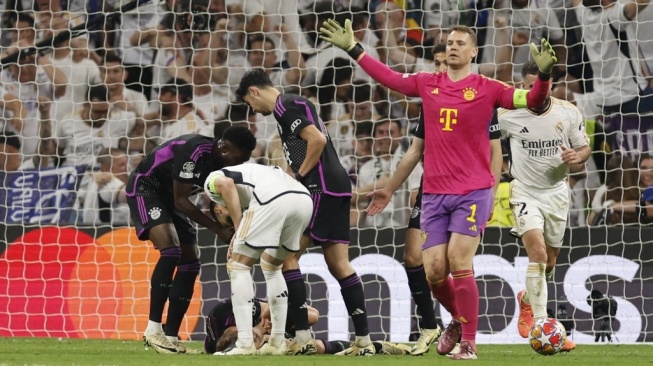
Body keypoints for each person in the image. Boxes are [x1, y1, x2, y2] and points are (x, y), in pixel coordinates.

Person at [319, 19, 556, 360]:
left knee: (459, 259)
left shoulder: (489, 88)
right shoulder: (428, 84)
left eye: (461, 42)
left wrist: (545, 77)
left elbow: (532, 100)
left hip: (472, 191)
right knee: (432, 271)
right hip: (433, 194)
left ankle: (470, 343)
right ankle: (458, 322)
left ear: (474, 51)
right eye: (449, 42)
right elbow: (390, 79)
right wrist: (354, 49)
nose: (453, 46)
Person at [236, 69, 374, 356]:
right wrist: (289, 175)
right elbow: (307, 148)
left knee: (284, 258)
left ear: (254, 92)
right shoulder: (293, 105)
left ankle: (301, 337)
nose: (254, 110)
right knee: (339, 265)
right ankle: (363, 340)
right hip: (337, 186)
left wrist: (296, 176)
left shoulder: (285, 104)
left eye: (250, 104)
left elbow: (317, 141)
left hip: (319, 186)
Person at [126, 126, 256, 354]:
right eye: (238, 158)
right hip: (147, 189)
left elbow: (214, 199)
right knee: (171, 250)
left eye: (244, 160)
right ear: (224, 147)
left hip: (172, 199)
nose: (239, 164)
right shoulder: (195, 150)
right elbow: (181, 201)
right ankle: (153, 329)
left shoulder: (225, 164)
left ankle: (171, 336)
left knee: (191, 261)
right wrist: (217, 229)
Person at [499, 61, 591, 352]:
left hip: (557, 193)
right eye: (527, 86)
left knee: (549, 264)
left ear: (550, 85)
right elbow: (485, 141)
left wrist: (578, 157)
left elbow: (585, 148)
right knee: (537, 254)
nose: (533, 91)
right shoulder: (508, 114)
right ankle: (543, 325)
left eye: (539, 85)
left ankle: (527, 298)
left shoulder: (568, 112)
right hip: (525, 191)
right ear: (522, 85)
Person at [205, 162, 314, 356]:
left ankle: (245, 343)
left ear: (218, 210)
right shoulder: (253, 174)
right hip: (304, 200)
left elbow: (227, 185)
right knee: (272, 266)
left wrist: (238, 232)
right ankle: (276, 343)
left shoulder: (210, 182)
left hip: (274, 199)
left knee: (238, 265)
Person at [204, 297, 411, 356]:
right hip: (272, 333)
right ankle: (375, 346)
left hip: (271, 319)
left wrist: (260, 325)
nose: (254, 341)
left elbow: (312, 315)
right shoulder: (217, 346)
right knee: (314, 348)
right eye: (254, 343)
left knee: (311, 316)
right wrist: (265, 337)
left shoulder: (223, 314)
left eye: (251, 338)